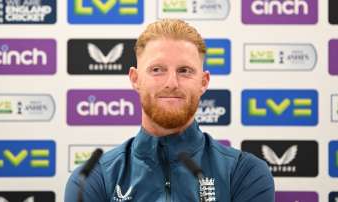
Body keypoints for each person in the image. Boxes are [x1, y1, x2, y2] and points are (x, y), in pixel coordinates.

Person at [65, 19, 275, 202]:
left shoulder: (244, 172)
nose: (172, 83)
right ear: (135, 79)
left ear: (203, 82)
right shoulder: (94, 178)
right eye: (157, 70)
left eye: (184, 71)